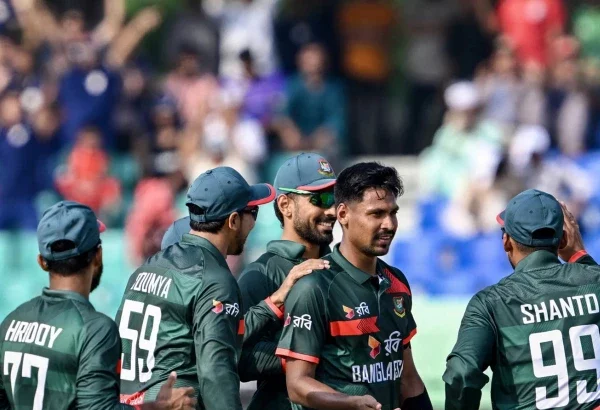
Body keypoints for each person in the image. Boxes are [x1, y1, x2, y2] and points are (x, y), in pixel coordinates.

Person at [0, 200, 196, 410]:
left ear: (41, 261)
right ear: (98, 255)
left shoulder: (10, 323)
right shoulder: (95, 330)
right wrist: (159, 407)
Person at [116, 167, 275, 410]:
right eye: (252, 212)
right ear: (233, 221)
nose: (254, 222)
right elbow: (215, 372)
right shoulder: (214, 279)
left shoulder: (147, 267)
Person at [276, 162, 432, 410]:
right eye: (376, 214)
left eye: (393, 213)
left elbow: (408, 379)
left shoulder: (397, 282)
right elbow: (297, 385)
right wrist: (351, 404)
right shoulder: (315, 286)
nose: (389, 224)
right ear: (343, 214)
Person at [444, 189, 600, 410]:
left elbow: (461, 373)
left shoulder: (490, 302)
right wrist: (580, 255)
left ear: (506, 241)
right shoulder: (594, 281)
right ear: (564, 239)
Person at [238, 153, 337, 410]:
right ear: (285, 205)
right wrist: (304, 356)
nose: (331, 210)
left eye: (333, 198)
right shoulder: (260, 274)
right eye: (319, 199)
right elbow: (236, 357)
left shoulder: (340, 268)